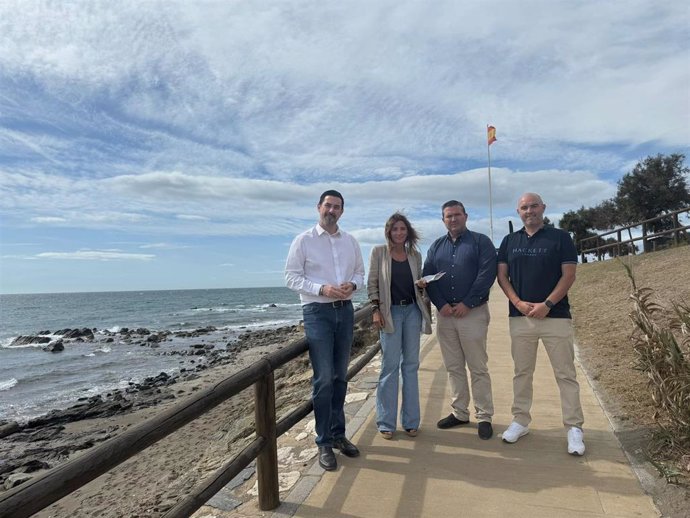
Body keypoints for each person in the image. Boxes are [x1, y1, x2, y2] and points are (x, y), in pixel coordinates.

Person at [496, 192, 586, 455]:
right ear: (518, 212)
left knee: (565, 374)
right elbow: (502, 277)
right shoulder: (509, 240)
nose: (529, 210)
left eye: (534, 206)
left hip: (555, 316)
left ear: (543, 208)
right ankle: (520, 420)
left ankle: (574, 427)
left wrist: (547, 304)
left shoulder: (560, 238)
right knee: (522, 373)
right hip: (521, 318)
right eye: (524, 207)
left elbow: (568, 275)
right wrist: (519, 303)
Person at [285, 189, 365, 471]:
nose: (332, 210)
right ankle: (323, 442)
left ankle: (339, 434)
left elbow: (359, 274)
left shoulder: (351, 241)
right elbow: (291, 277)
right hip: (317, 312)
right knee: (324, 380)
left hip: (345, 311)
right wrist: (322, 289)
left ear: (342, 211)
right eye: (328, 205)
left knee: (340, 377)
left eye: (337, 207)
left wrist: (352, 286)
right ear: (318, 207)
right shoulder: (303, 240)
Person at [422, 200, 497, 440]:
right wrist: (440, 304)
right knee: (454, 367)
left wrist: (469, 302)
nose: (453, 219)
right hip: (446, 315)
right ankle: (460, 412)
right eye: (448, 216)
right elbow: (428, 277)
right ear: (442, 219)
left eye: (457, 215)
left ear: (465, 216)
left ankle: (484, 416)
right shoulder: (436, 246)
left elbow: (487, 274)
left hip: (472, 313)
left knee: (478, 367)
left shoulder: (480, 242)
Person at [367, 212, 432, 440]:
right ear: (389, 231)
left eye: (402, 229)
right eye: (395, 229)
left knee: (411, 366)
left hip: (412, 312)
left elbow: (419, 289)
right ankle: (386, 422)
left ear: (408, 232)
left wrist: (422, 285)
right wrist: (375, 310)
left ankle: (411, 421)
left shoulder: (414, 255)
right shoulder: (378, 253)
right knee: (389, 367)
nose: (399, 233)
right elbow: (372, 283)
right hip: (390, 312)